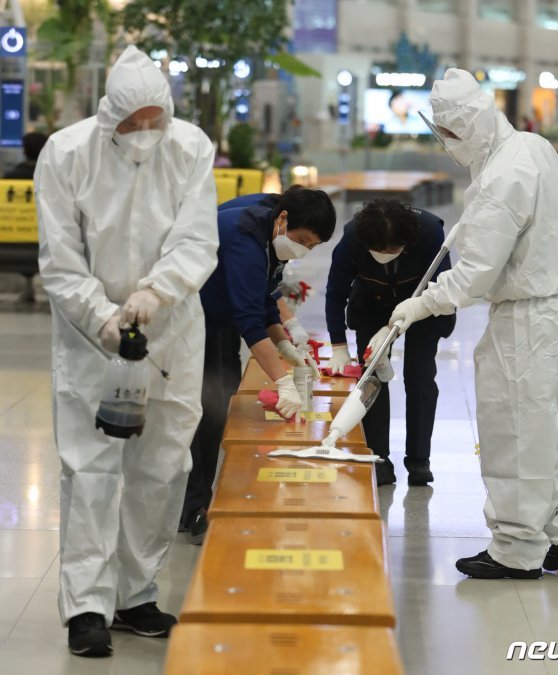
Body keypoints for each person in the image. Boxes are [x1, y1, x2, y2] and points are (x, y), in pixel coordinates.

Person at [34, 45, 219, 656]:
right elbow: (60, 262)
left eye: (153, 120)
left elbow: (196, 240)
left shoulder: (191, 147)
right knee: (91, 469)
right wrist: (104, 317)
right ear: (106, 114)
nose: (143, 133)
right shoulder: (65, 153)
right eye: (130, 122)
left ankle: (135, 594)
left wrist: (154, 294)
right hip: (92, 339)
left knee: (164, 467)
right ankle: (86, 605)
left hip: (170, 329)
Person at [387, 68, 558, 579]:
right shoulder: (533, 146)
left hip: (527, 322)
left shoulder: (500, 179)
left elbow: (474, 277)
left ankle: (517, 548)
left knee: (514, 436)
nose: (450, 147)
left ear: (471, 126)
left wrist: (419, 304)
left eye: (451, 135)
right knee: (546, 433)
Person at [181, 187, 336, 543]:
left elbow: (265, 299)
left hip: (217, 314)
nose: (304, 250)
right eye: (303, 241)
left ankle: (207, 497)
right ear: (284, 220)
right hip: (192, 317)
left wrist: (285, 342)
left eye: (313, 246)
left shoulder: (272, 228)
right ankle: (194, 509)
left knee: (223, 399)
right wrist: (282, 381)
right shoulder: (244, 238)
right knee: (207, 408)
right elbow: (249, 318)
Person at [325, 199, 455, 486]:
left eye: (392, 250)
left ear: (406, 242)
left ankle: (419, 460)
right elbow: (335, 293)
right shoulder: (352, 238)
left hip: (424, 304)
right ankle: (379, 457)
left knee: (419, 374)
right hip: (372, 302)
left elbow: (445, 289)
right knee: (371, 376)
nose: (384, 255)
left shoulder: (430, 233)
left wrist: (406, 317)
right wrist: (338, 347)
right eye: (377, 251)